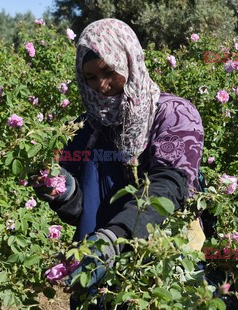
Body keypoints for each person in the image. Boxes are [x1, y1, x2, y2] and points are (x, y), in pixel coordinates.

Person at [33, 18, 205, 309]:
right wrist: (64, 192)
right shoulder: (85, 129)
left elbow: (169, 187)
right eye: (89, 77)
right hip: (97, 261)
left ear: (128, 62)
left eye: (109, 71)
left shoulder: (173, 115)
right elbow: (85, 211)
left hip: (160, 257)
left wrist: (116, 236)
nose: (101, 86)